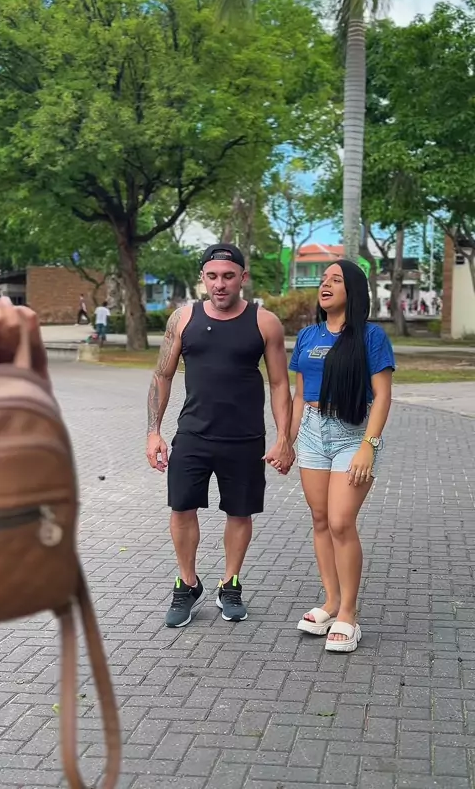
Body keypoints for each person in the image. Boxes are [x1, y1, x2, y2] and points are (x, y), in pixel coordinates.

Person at [146, 243, 292, 628]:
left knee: (240, 512)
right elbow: (162, 375)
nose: (220, 284)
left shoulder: (265, 322)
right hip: (193, 434)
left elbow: (280, 383)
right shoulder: (183, 318)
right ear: (203, 278)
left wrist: (284, 439)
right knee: (181, 508)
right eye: (212, 276)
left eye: (228, 276)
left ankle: (230, 584)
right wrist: (153, 431)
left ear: (243, 277)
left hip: (244, 438)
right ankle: (188, 583)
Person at [288, 260, 395, 653]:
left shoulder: (371, 336)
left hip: (352, 432)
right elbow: (299, 395)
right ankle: (331, 602)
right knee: (320, 520)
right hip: (311, 432)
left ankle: (349, 612)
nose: (326, 285)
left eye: (336, 280)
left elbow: (382, 395)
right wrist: (286, 441)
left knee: (340, 522)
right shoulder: (307, 335)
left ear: (353, 290)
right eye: (323, 280)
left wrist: (370, 444)